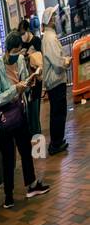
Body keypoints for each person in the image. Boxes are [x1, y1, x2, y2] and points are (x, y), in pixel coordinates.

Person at [0, 33, 49, 209]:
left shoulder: (21, 60)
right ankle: (8, 196)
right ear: (7, 51)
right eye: (14, 51)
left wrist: (30, 82)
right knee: (8, 159)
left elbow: (23, 82)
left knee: (26, 150)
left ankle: (31, 186)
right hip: (3, 121)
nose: (17, 54)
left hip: (19, 114)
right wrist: (16, 89)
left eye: (18, 51)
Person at [41, 8, 69, 155]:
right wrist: (66, 61)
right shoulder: (50, 38)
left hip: (55, 82)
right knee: (58, 113)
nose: (57, 18)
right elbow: (57, 63)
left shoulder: (49, 37)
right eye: (54, 16)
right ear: (50, 20)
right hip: (56, 81)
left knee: (57, 112)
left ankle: (57, 141)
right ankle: (56, 143)